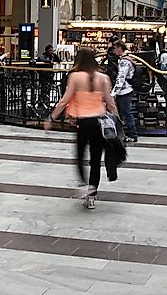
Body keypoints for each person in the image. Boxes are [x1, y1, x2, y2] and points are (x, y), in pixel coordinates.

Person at [44, 47, 119, 210]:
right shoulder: (103, 78)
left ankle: (84, 183)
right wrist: (117, 121)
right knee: (95, 160)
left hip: (83, 122)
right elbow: (110, 102)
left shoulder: (75, 77)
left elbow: (64, 100)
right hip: (99, 122)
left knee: (79, 155)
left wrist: (51, 118)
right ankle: (92, 195)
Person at [109, 40, 138, 142]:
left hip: (124, 90)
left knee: (126, 112)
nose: (114, 50)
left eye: (115, 48)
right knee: (124, 112)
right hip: (126, 89)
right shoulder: (128, 59)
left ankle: (132, 134)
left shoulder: (124, 61)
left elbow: (121, 78)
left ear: (120, 48)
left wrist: (113, 93)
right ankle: (125, 133)